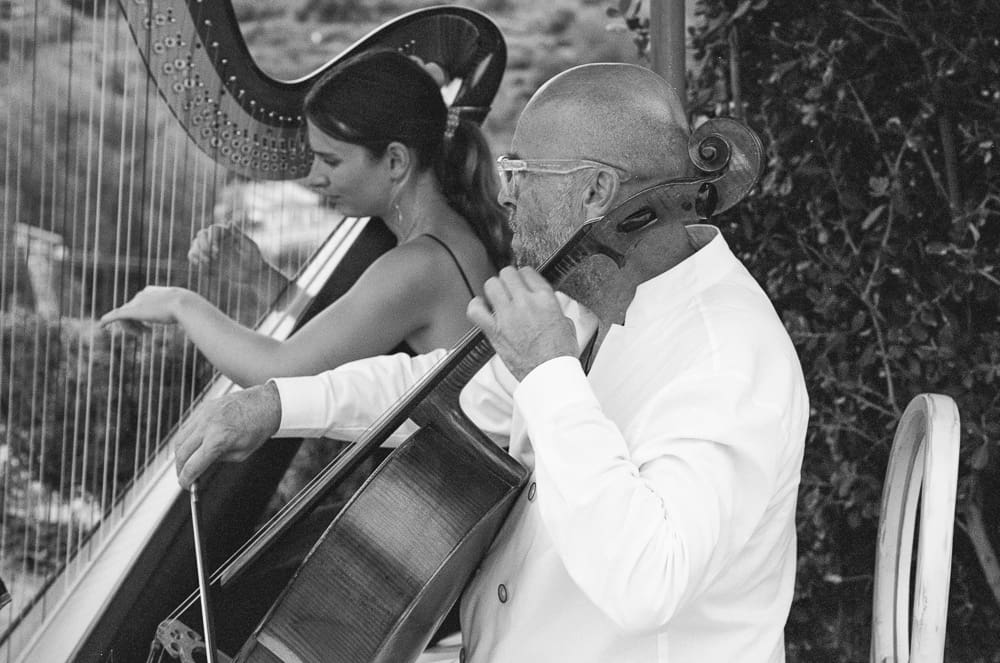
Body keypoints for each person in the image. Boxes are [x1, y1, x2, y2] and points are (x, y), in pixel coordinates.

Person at [172, 62, 809, 663]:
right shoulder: (596, 290)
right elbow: (447, 387)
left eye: (523, 172)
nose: (506, 196)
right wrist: (276, 404)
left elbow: (648, 582)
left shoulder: (727, 361)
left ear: (597, 191)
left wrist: (548, 370)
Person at [100, 49, 510, 387]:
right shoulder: (450, 234)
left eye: (330, 160)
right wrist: (258, 276)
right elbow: (344, 337)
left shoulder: (417, 266)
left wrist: (179, 303)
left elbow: (276, 372)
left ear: (395, 161)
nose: (313, 177)